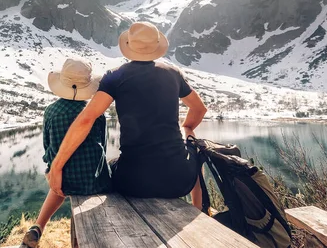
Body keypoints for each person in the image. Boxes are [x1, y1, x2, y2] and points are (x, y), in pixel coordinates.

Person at [47, 22, 207, 208]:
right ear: (156, 46)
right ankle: (200, 207)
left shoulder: (115, 76)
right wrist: (187, 128)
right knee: (192, 142)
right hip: (179, 182)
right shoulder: (173, 73)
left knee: (114, 163)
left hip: (133, 183)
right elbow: (199, 109)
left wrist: (56, 166)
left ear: (129, 46)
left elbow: (86, 119)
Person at [20, 58, 111, 248]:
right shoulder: (95, 112)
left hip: (62, 180)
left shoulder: (51, 112)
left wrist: (52, 168)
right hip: (94, 181)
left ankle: (38, 227)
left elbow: (48, 148)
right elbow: (103, 145)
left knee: (57, 183)